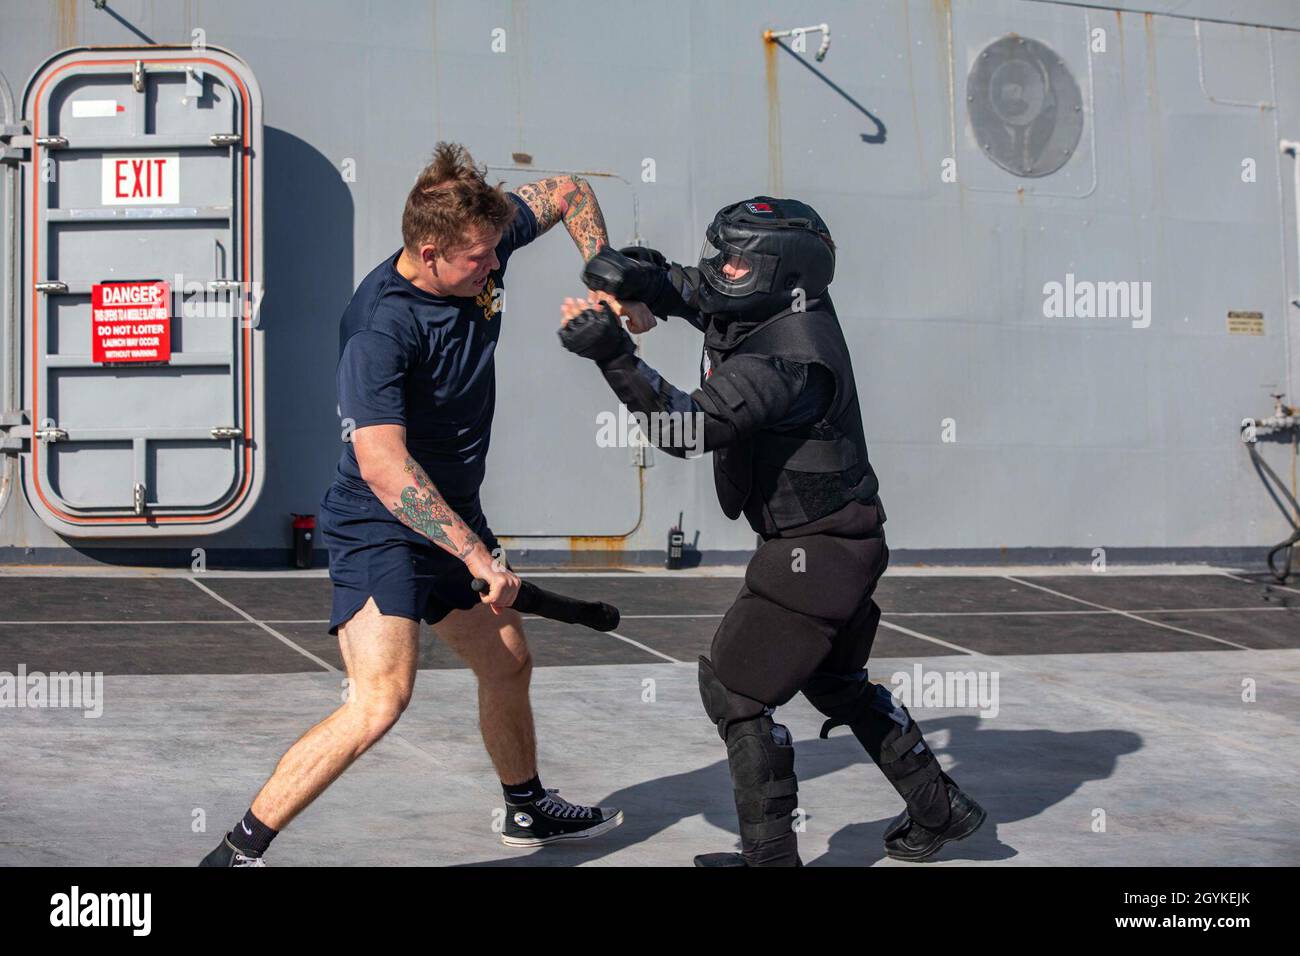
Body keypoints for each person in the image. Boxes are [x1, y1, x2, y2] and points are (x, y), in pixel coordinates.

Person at [201, 143, 653, 866]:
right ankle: (233, 854)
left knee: (507, 661)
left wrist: (612, 283)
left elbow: (568, 190)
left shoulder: (482, 235)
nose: (495, 268)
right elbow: (384, 468)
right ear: (430, 250)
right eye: (477, 261)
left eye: (494, 252)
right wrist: (475, 555)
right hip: (383, 526)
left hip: (453, 515)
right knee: (379, 701)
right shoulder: (381, 327)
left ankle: (528, 808)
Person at [558, 196, 986, 866]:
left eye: (734, 260)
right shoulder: (778, 299)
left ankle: (771, 862)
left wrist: (614, 354)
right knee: (835, 682)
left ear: (782, 272)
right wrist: (634, 276)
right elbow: (698, 291)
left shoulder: (793, 361)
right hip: (842, 538)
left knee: (735, 689)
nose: (717, 269)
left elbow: (686, 427)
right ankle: (942, 808)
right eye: (721, 255)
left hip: (818, 553)